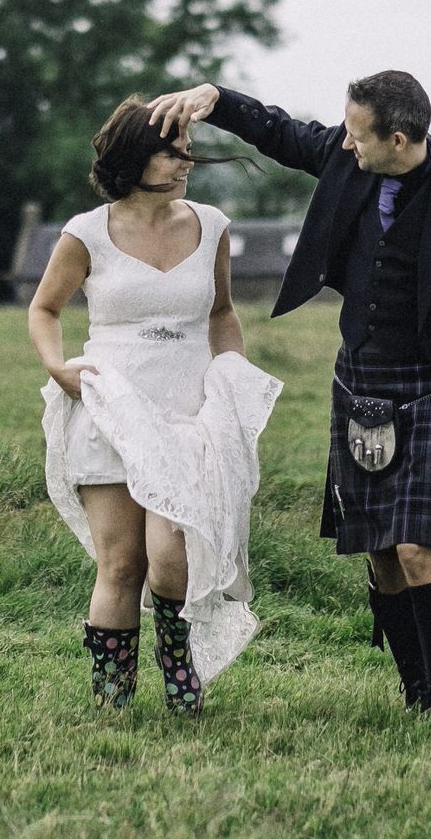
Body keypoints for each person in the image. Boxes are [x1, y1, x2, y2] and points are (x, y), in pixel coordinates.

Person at [144, 72, 431, 719]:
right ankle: (414, 689)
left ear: (401, 138)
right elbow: (281, 132)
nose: (346, 144)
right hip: (360, 378)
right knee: (382, 555)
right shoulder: (347, 157)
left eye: (359, 135)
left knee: (417, 548)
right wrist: (216, 98)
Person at [28, 97, 282, 715]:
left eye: (187, 148)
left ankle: (179, 667)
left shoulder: (212, 224)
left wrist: (232, 381)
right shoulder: (86, 233)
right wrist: (57, 367)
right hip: (111, 404)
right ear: (132, 157)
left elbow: (221, 313)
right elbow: (45, 310)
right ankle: (113, 697)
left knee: (173, 557)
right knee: (120, 562)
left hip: (189, 411)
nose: (186, 161)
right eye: (171, 150)